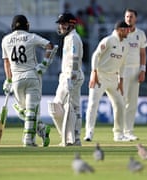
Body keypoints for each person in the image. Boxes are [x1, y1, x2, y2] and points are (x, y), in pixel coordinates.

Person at [1, 15, 56, 147]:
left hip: (16, 80)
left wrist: (8, 79)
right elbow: (50, 46)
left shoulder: (5, 40)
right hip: (32, 76)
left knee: (23, 111)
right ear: (27, 25)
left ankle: (31, 137)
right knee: (31, 111)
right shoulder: (31, 37)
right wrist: (44, 64)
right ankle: (36, 133)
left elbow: (7, 62)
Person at [83, 20, 130, 142]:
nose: (128, 32)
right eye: (126, 30)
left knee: (120, 104)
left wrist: (121, 80)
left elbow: (123, 63)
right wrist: (94, 73)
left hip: (114, 78)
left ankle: (118, 134)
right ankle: (89, 132)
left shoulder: (126, 44)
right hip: (100, 76)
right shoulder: (108, 40)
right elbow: (95, 55)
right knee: (93, 104)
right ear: (120, 30)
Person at [48, 12, 84, 146]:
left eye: (63, 23)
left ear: (71, 24)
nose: (61, 26)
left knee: (55, 107)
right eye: (60, 24)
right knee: (74, 107)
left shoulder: (74, 38)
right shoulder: (69, 37)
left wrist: (72, 76)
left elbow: (75, 58)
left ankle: (69, 138)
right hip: (69, 75)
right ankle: (74, 138)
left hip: (71, 75)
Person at [123, 9, 147, 141]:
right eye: (127, 16)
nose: (128, 19)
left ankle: (129, 131)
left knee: (132, 102)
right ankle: (119, 131)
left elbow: (143, 54)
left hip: (135, 71)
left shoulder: (140, 34)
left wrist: (142, 70)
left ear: (135, 19)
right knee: (121, 101)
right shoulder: (120, 32)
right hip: (122, 71)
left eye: (131, 16)